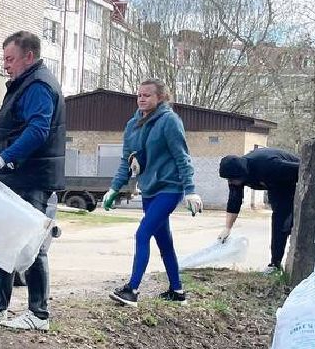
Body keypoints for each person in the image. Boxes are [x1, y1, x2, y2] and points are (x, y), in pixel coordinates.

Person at [0, 30, 65, 331]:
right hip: (20, 177)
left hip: (33, 179)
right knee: (7, 239)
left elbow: (37, 131)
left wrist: (2, 158)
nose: (5, 65)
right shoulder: (27, 83)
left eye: (10, 59)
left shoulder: (38, 86)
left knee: (32, 244)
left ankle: (38, 314)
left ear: (28, 57)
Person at [103, 80, 202, 306]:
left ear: (161, 98)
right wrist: (114, 188)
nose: (141, 98)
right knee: (164, 241)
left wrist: (190, 190)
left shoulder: (169, 121)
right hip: (149, 189)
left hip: (170, 188)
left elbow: (182, 157)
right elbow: (126, 161)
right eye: (139, 95)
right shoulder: (132, 125)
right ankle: (177, 291)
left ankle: (132, 290)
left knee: (142, 234)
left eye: (147, 95)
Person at [218, 147, 300, 271]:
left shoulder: (270, 165)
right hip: (275, 185)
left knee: (284, 223)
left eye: (232, 179)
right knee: (280, 223)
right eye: (228, 179)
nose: (230, 182)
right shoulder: (236, 175)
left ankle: (308, 251)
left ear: (242, 173)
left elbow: (304, 168)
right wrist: (227, 228)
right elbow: (234, 200)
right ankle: (276, 265)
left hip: (293, 182)